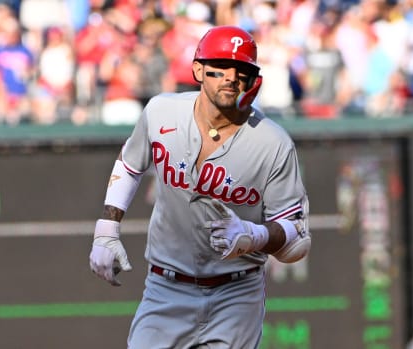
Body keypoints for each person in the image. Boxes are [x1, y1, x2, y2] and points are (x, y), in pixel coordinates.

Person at [88, 25, 311, 349]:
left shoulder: (272, 142)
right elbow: (129, 163)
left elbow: (297, 236)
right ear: (198, 69)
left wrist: (254, 235)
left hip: (236, 293)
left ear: (253, 79)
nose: (231, 77)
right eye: (219, 67)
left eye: (241, 70)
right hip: (166, 287)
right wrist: (106, 228)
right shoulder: (162, 111)